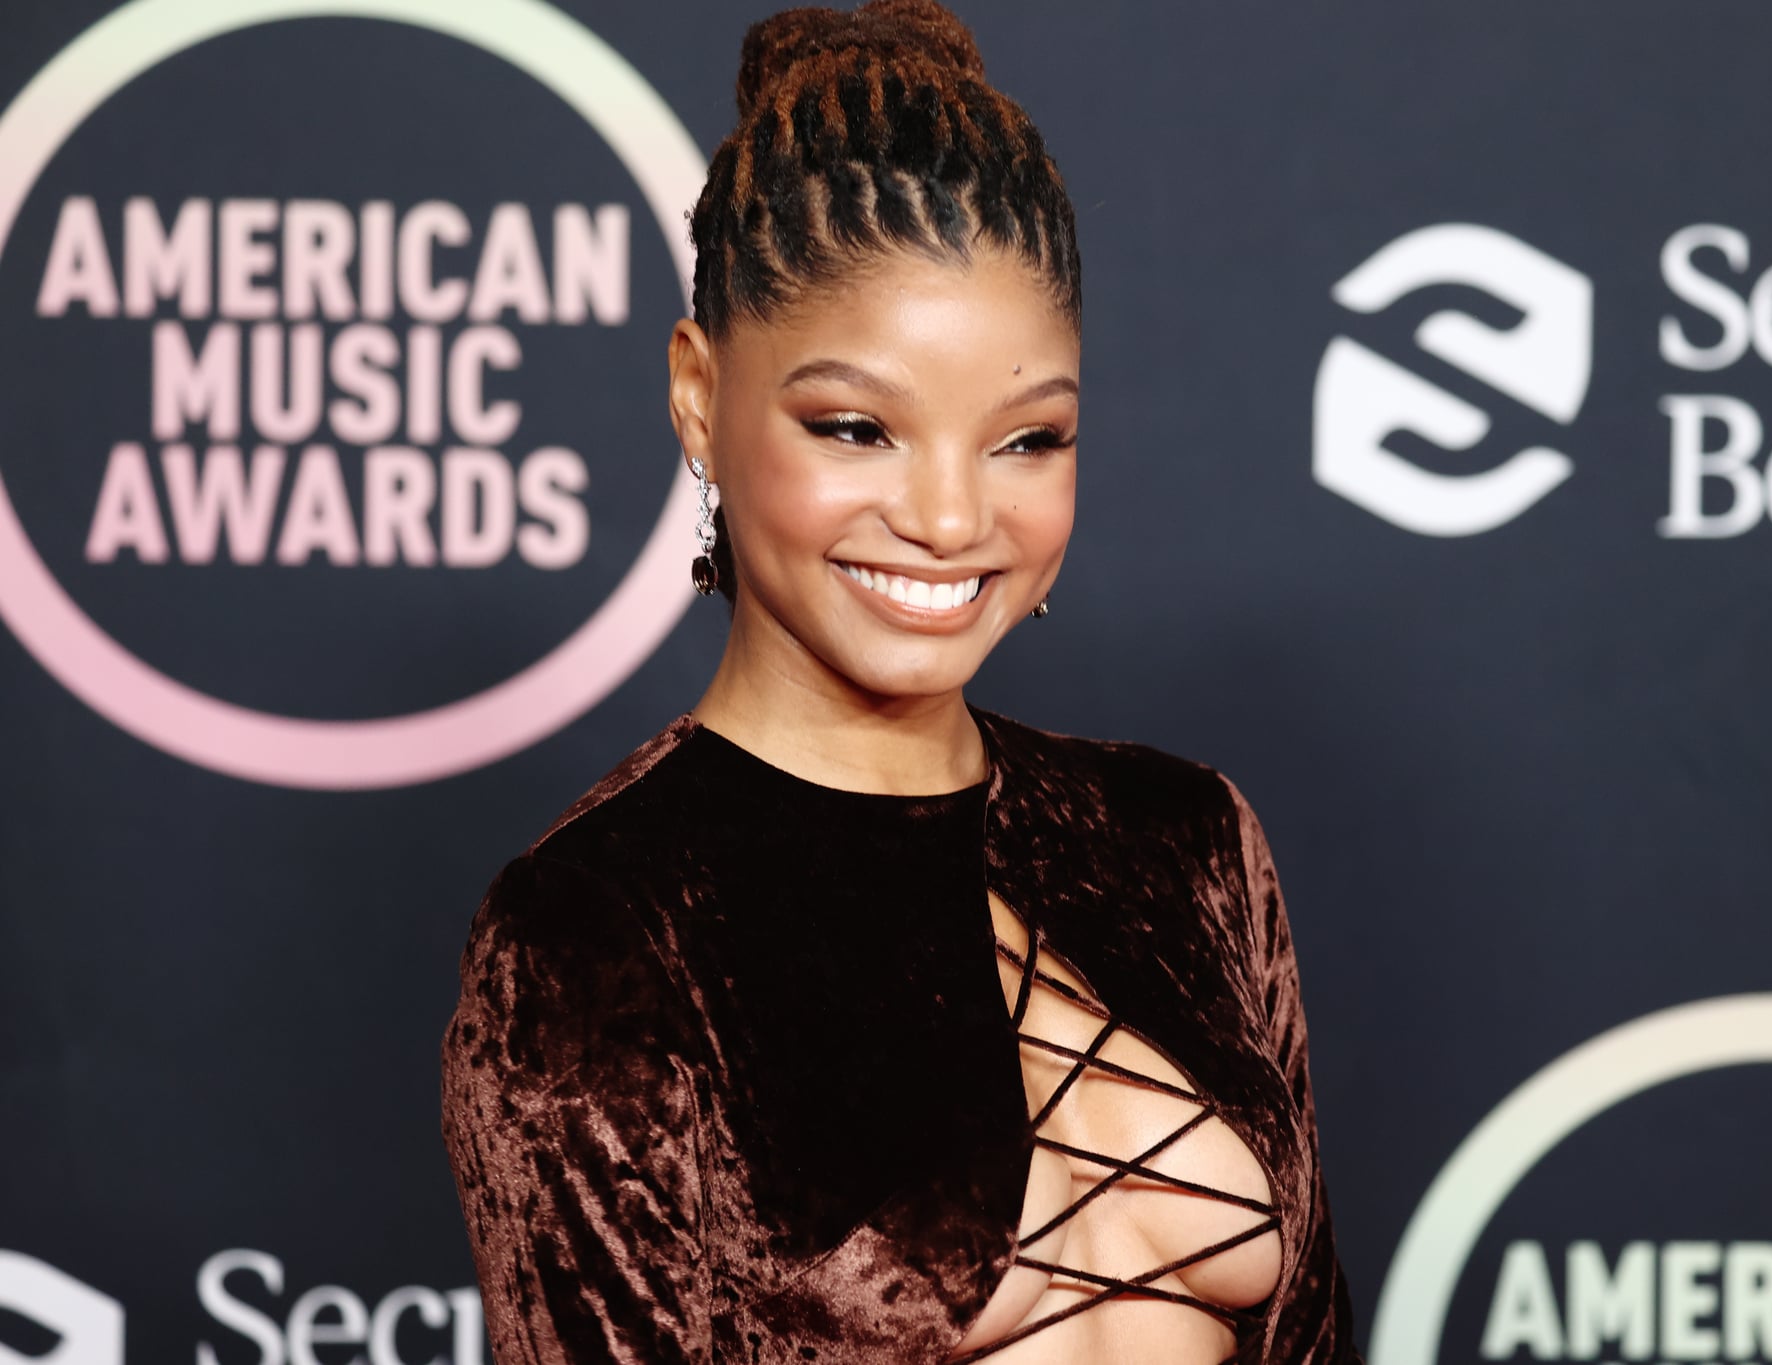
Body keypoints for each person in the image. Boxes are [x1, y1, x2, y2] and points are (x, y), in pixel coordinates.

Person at [439, 2, 1359, 1360]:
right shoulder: (600, 936)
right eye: (856, 426)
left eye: (1028, 438)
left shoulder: (1184, 843)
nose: (948, 517)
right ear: (700, 397)